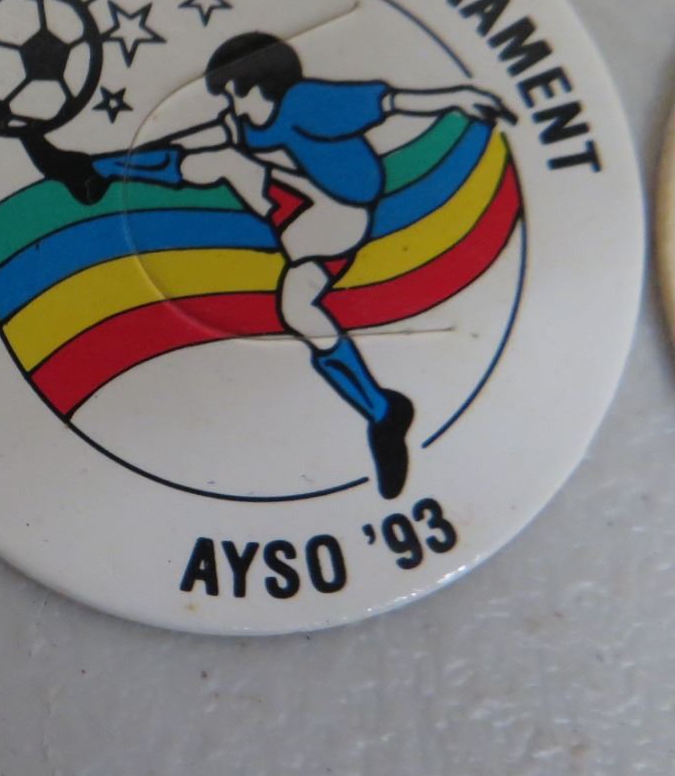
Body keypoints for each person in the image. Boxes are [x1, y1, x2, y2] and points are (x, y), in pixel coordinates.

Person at [25, 32, 514, 499]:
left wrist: (457, 96)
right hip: (303, 212)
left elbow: (390, 101)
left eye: (232, 92)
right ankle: (383, 411)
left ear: (256, 85)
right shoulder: (245, 123)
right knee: (289, 292)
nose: (229, 103)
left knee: (230, 173)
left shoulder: (308, 103)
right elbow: (193, 139)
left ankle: (90, 173)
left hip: (340, 214)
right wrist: (103, 161)